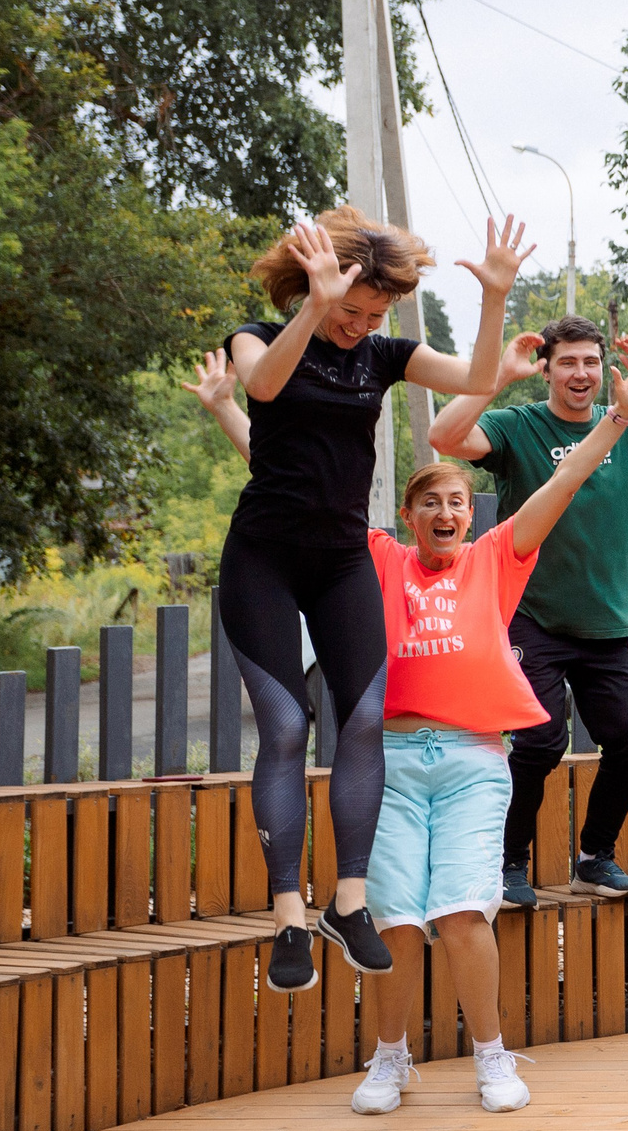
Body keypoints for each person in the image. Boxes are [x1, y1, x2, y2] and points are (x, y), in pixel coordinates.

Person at [348, 337, 628, 1116]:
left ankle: (492, 1058)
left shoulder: (497, 557)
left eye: (457, 501)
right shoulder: (383, 562)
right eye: (431, 502)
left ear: (473, 510)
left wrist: (621, 414)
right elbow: (309, 492)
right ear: (411, 516)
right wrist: (230, 411)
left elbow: (567, 475)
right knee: (397, 919)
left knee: (461, 912)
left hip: (471, 759)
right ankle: (389, 1059)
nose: (446, 512)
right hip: (389, 758)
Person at [220, 207, 524, 995]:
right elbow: (261, 384)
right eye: (350, 311)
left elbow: (480, 380)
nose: (360, 326)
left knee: (361, 717)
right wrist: (317, 308)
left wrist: (494, 297)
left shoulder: (383, 356)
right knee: (288, 724)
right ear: (316, 291)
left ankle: (346, 900)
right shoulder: (256, 334)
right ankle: (289, 911)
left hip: (341, 556)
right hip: (264, 556)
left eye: (372, 315)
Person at [426, 316, 628, 910]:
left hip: (606, 623)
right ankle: (509, 863)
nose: (581, 373)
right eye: (568, 362)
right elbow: (448, 436)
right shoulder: (518, 427)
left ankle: (595, 857)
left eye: (591, 362)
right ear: (547, 368)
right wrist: (493, 379)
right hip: (530, 618)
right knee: (538, 745)